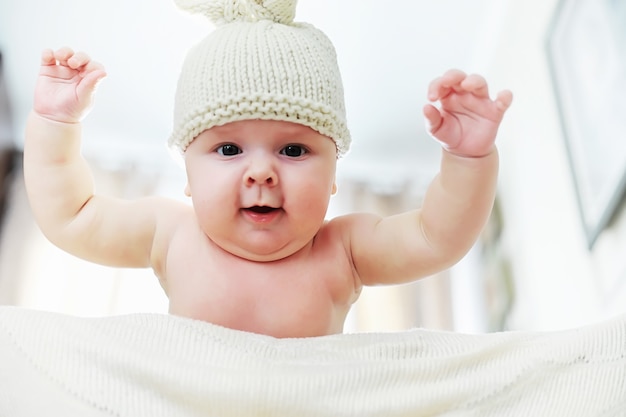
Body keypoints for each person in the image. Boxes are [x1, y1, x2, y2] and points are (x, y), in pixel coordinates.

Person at [24, 0, 512, 338]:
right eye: (229, 149)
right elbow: (72, 215)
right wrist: (54, 123)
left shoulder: (343, 250)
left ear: (335, 176)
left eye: (294, 151)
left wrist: (468, 159)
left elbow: (436, 237)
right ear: (188, 177)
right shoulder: (171, 234)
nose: (261, 172)